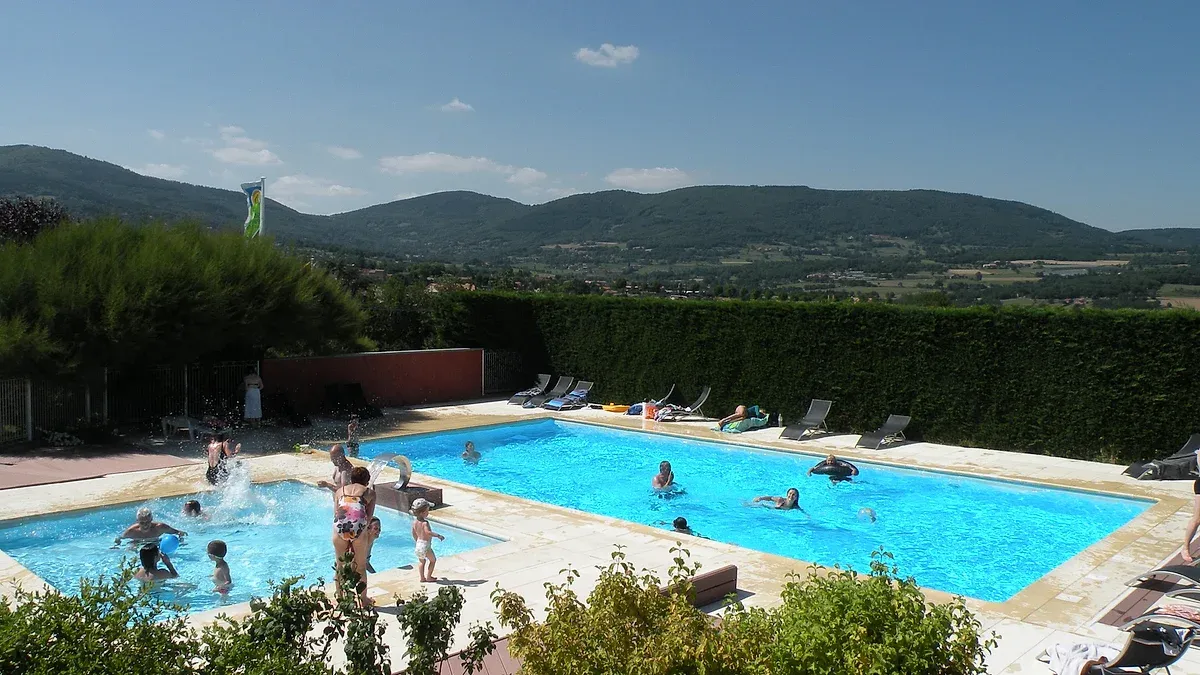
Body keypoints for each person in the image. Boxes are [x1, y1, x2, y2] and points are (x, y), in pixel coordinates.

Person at [332, 466, 376, 605]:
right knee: (360, 566)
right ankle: (363, 600)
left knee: (340, 566)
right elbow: (368, 517)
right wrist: (359, 532)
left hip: (339, 527)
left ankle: (340, 598)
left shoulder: (340, 491)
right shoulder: (369, 492)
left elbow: (336, 513)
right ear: (367, 480)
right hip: (358, 528)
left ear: (351, 479)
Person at [411, 498, 444, 583]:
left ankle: (422, 578)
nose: (428, 513)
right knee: (433, 560)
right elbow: (427, 532)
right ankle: (429, 577)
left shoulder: (414, 522)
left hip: (418, 544)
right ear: (422, 513)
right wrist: (438, 535)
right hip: (425, 545)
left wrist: (417, 541)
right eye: (427, 511)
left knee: (422, 562)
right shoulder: (425, 523)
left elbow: (413, 533)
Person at [116, 508, 185, 545]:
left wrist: (181, 541)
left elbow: (179, 532)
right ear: (137, 521)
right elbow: (119, 538)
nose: (145, 525)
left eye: (148, 522)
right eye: (142, 523)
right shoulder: (132, 531)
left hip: (155, 543)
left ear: (151, 519)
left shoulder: (160, 527)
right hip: (138, 543)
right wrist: (116, 546)